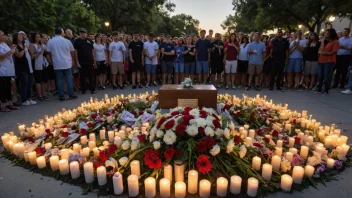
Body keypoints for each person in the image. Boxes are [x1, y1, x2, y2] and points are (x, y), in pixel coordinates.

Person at [46, 27, 77, 101]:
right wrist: (72, 60)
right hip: (67, 62)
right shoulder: (67, 41)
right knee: (69, 79)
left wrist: (51, 61)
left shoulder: (50, 41)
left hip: (57, 63)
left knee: (59, 80)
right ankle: (71, 94)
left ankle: (61, 95)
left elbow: (48, 52)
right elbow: (72, 51)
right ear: (62, 33)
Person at [13, 32, 37, 105]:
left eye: (22, 36)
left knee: (30, 83)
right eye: (19, 36)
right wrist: (24, 49)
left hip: (28, 66)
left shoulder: (24, 44)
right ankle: (24, 100)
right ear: (16, 37)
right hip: (21, 67)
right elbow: (19, 55)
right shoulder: (15, 46)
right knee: (24, 84)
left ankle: (29, 98)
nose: (21, 37)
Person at [0, 30, 19, 112]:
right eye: (3, 35)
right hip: (2, 70)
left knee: (8, 87)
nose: (4, 36)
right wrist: (9, 52)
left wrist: (12, 48)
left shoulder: (4, 44)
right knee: (2, 88)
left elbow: (10, 52)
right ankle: (3, 105)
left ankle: (10, 103)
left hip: (9, 69)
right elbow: (1, 57)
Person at [316, 28, 340, 95]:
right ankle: (319, 88)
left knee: (327, 75)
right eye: (326, 33)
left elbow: (334, 51)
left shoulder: (335, 41)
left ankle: (326, 89)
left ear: (331, 34)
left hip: (329, 61)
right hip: (321, 59)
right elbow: (320, 48)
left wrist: (325, 53)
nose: (326, 34)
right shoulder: (323, 40)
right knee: (320, 75)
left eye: (328, 33)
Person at [74, 28, 96, 94]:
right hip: (82, 61)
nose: (84, 34)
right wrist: (77, 62)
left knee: (91, 76)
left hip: (90, 61)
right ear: (80, 33)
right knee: (83, 76)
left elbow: (92, 51)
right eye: (82, 33)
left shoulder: (89, 40)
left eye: (85, 33)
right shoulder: (77, 41)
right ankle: (83, 89)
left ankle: (92, 89)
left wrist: (94, 60)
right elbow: (75, 52)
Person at [29, 32, 49, 101]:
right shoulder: (32, 45)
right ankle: (39, 95)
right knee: (38, 81)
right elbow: (32, 56)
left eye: (39, 37)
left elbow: (45, 53)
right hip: (37, 64)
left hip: (43, 64)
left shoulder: (42, 45)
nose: (38, 38)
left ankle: (44, 94)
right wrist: (39, 52)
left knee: (43, 81)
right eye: (36, 37)